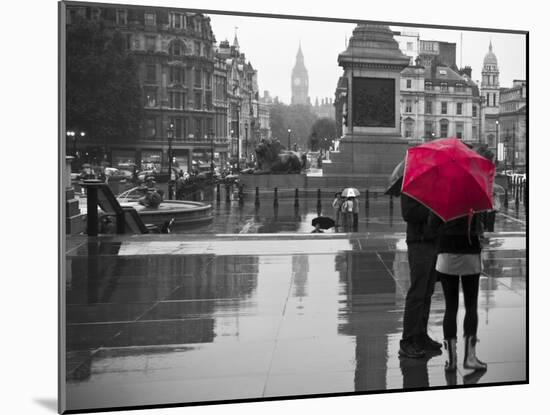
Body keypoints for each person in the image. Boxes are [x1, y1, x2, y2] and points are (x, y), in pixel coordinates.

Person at [436, 213, 487, 373]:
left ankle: (451, 360)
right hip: (470, 252)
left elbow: (432, 224)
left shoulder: (442, 194)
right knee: (471, 306)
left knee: (450, 307)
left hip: (446, 253)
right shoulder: (475, 195)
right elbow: (482, 225)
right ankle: (470, 358)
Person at [399, 194, 443, 358]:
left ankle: (421, 335)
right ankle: (408, 340)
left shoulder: (434, 186)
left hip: (433, 241)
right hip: (419, 242)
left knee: (427, 292)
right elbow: (408, 213)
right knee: (417, 293)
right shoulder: (411, 186)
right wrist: (432, 208)